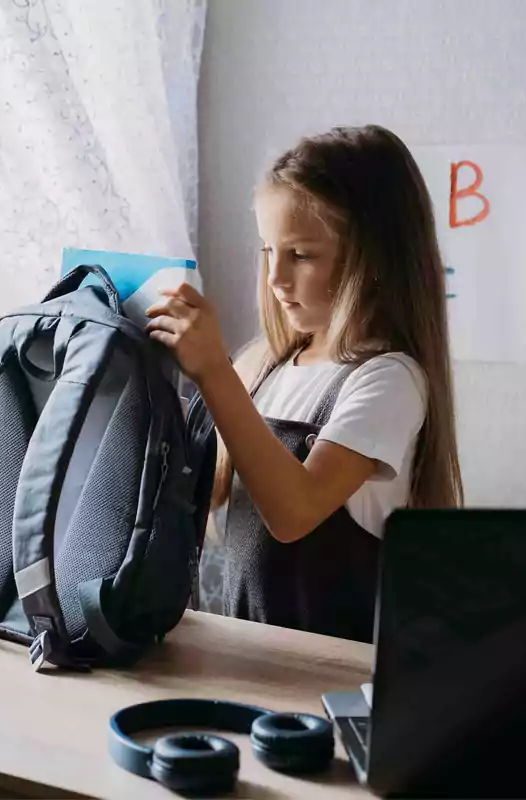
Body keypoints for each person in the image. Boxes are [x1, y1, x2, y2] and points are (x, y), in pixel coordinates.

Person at [146, 125, 462, 642]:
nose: (275, 277)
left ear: (373, 260)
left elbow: (293, 512)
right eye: (268, 250)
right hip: (253, 661)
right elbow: (208, 515)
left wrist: (213, 374)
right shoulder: (264, 367)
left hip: (330, 679)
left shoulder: (389, 381)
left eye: (301, 255)